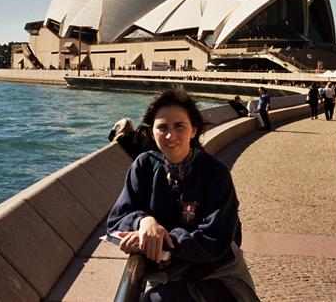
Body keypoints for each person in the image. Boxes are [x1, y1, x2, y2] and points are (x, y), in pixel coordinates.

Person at [107, 89, 259, 301]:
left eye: (179, 126)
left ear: (193, 130)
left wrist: (161, 239)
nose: (171, 136)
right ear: (152, 133)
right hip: (169, 275)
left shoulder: (215, 173)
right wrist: (144, 222)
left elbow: (215, 238)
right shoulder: (143, 165)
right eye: (162, 127)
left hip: (215, 277)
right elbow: (117, 219)